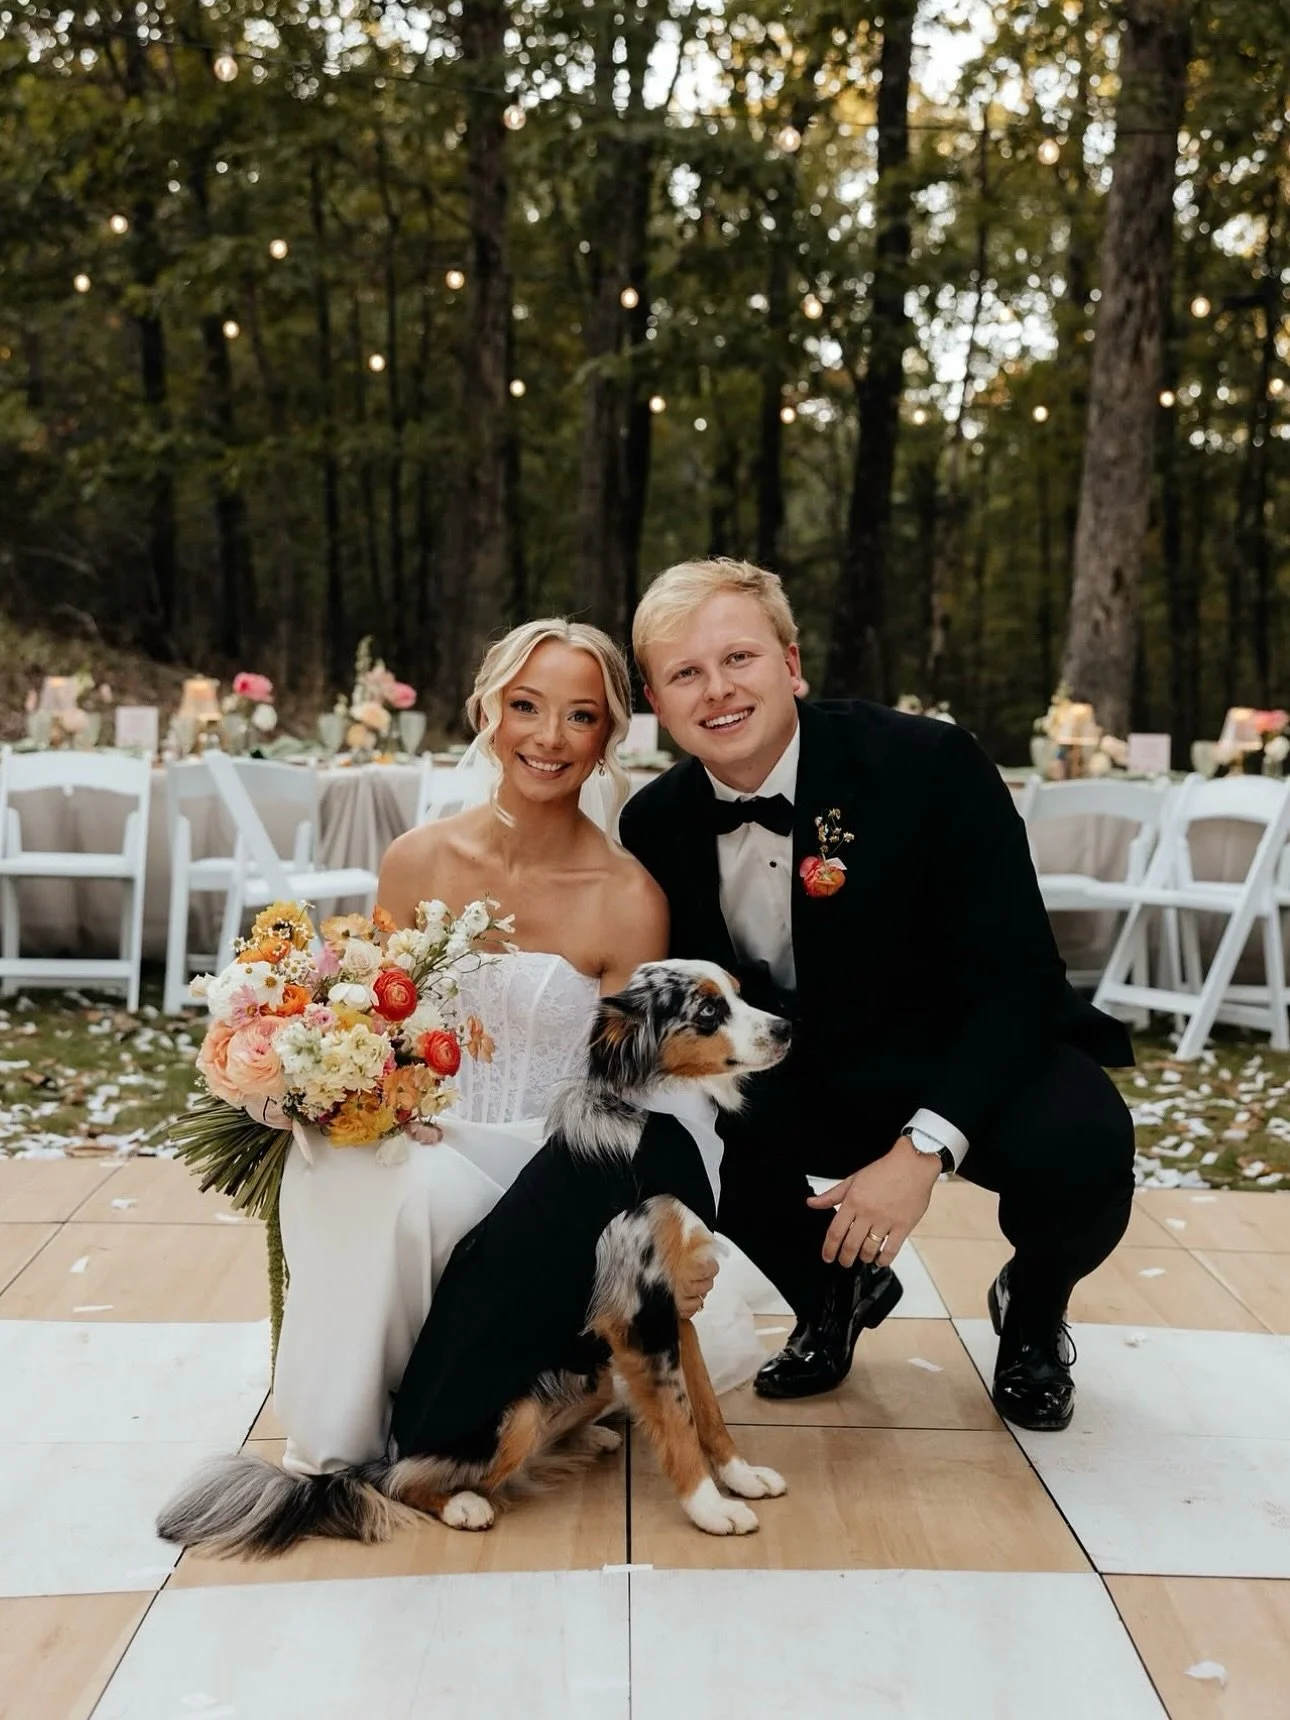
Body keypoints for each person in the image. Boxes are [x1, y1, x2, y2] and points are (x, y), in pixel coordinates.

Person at [619, 558, 1136, 1431]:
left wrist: (921, 1151)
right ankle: (833, 1292)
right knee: (662, 1117)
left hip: (959, 1052)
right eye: (686, 673)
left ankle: (1034, 1308)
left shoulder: (929, 763)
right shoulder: (654, 823)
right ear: (657, 703)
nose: (718, 690)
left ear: (790, 664)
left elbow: (1020, 980)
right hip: (798, 1068)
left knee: (1085, 1141)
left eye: (739, 658)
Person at [272, 619, 762, 1478]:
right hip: (419, 1133)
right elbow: (372, 1024)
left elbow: (643, 1091)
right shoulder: (414, 861)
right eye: (526, 706)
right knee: (347, 1167)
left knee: (411, 1191)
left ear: (607, 739)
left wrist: (676, 1219)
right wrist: (339, 1090)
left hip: (547, 1168)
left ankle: (437, 1431)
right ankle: (346, 1438)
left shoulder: (627, 898)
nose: (549, 737)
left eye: (581, 716)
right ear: (486, 713)